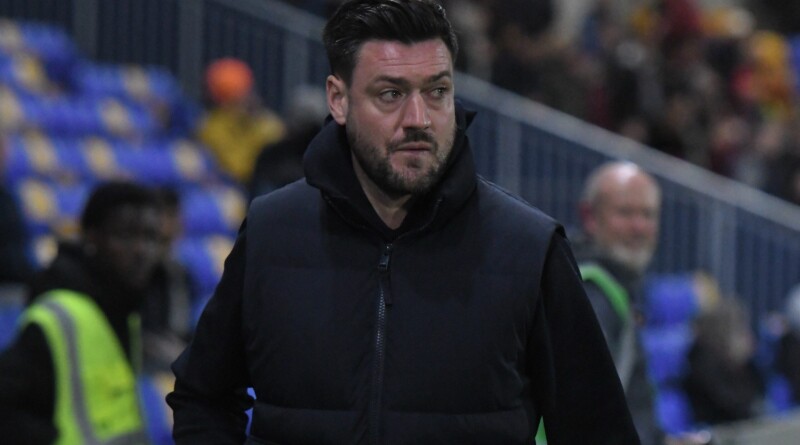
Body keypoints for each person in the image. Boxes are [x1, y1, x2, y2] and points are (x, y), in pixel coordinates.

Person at [167, 1, 639, 444]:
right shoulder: (271, 232)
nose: (419, 119)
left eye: (437, 92)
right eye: (390, 94)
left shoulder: (530, 249)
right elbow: (202, 397)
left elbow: (600, 432)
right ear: (338, 99)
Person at [0, 181, 164, 444]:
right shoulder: (60, 315)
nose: (141, 251)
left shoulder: (123, 310)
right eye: (126, 235)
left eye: (151, 238)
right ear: (92, 237)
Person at [575, 161, 665, 445]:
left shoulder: (615, 289)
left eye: (648, 214)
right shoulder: (587, 294)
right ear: (590, 217)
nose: (639, 227)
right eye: (625, 212)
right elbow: (587, 420)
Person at [197, 57, 286, 184]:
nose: (250, 97)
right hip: (230, 186)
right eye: (243, 94)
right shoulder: (211, 128)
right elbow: (237, 170)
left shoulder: (267, 123)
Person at [683, 298, 765, 426]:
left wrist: (743, 364)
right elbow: (731, 408)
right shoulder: (703, 363)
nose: (748, 337)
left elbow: (758, 393)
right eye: (740, 330)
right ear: (723, 332)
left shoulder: (738, 362)